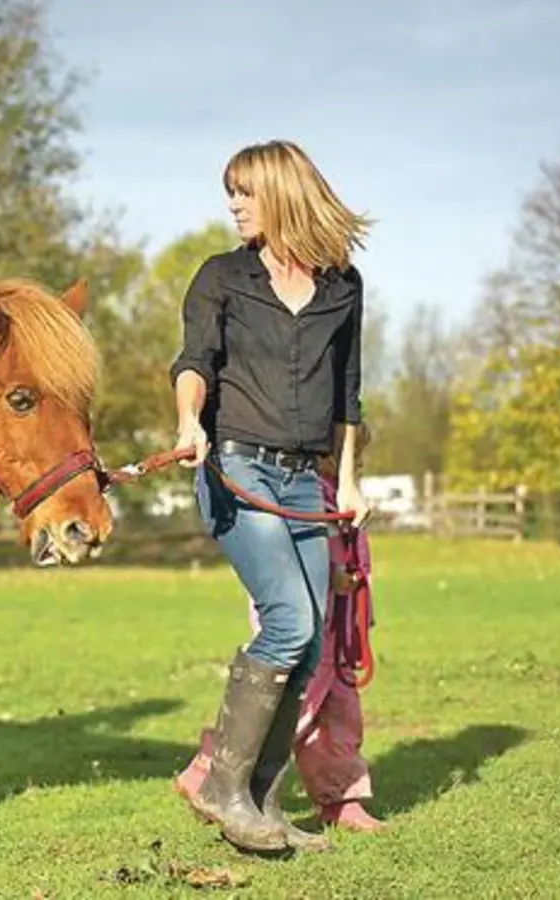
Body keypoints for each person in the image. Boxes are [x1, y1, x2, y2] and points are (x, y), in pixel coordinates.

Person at [168, 139, 372, 853]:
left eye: (245, 193)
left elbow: (347, 392)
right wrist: (189, 421)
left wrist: (347, 480)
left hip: (303, 480)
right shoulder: (222, 277)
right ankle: (222, 787)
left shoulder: (343, 285)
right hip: (236, 469)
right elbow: (194, 361)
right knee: (287, 621)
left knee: (313, 642)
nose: (232, 205)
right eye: (231, 192)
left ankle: (262, 802)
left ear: (282, 194)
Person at [174, 422, 386, 835]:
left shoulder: (345, 497)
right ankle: (210, 768)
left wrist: (363, 610)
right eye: (339, 454)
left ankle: (342, 798)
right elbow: (284, 561)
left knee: (340, 714)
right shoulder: (299, 495)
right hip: (307, 624)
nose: (349, 463)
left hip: (341, 632)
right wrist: (335, 576)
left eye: (355, 456)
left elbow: (357, 555)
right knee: (291, 708)